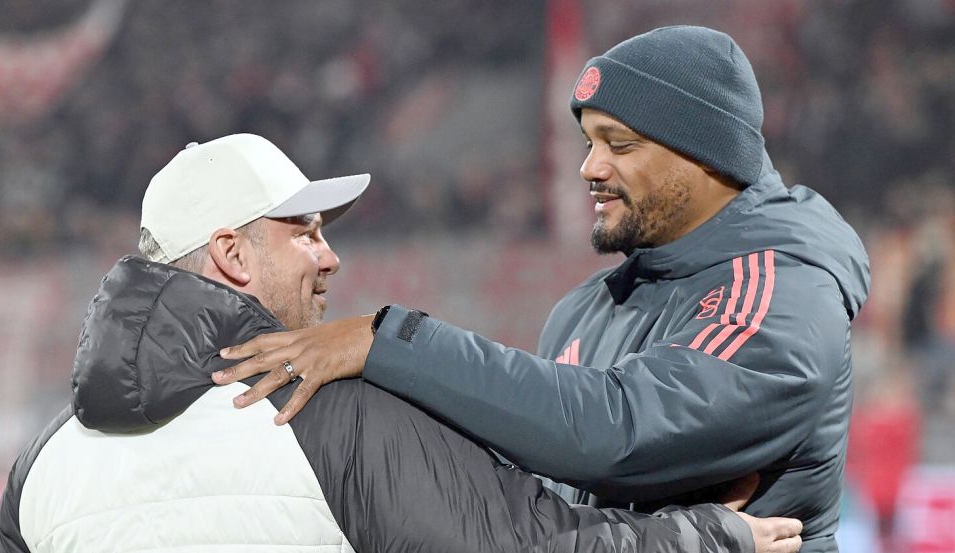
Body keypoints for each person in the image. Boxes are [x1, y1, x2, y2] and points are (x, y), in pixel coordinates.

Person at [212, 26, 870, 553]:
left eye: (619, 143)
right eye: (587, 141)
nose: (589, 167)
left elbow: (615, 430)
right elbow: (540, 510)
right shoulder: (584, 309)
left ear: (706, 156)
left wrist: (388, 340)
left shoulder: (781, 287)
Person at [0, 133, 803, 553]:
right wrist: (703, 536)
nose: (329, 253)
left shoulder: (43, 462)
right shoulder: (328, 411)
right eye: (303, 230)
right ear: (232, 255)